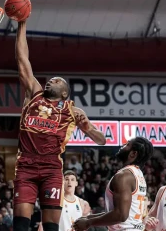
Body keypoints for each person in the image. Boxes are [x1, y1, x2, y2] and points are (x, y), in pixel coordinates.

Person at [13, 20, 107, 231]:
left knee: (50, 226)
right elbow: (22, 59)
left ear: (65, 92)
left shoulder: (73, 112)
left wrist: (89, 128)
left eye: (56, 80)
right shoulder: (34, 93)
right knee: (20, 224)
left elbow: (102, 140)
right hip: (26, 165)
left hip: (51, 169)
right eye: (50, 79)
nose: (50, 81)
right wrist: (22, 23)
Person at [73, 137, 154, 231]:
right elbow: (114, 211)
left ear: (133, 154)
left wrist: (88, 223)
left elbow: (120, 215)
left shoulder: (124, 176)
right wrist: (88, 218)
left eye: (127, 145)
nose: (123, 146)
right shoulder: (138, 174)